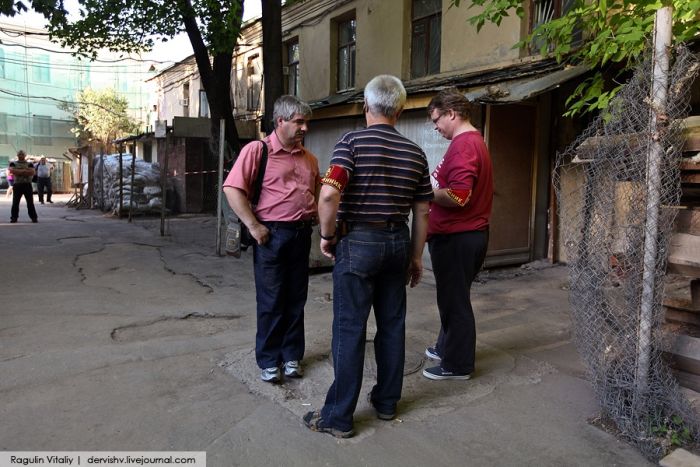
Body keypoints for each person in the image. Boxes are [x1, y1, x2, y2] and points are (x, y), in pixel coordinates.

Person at [303, 75, 432, 438]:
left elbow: (328, 196)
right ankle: (387, 402)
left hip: (358, 242)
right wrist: (416, 257)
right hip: (397, 244)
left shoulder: (351, 143)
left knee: (350, 328)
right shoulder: (415, 152)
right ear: (401, 110)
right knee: (392, 325)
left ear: (365, 108)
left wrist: (327, 236)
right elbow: (423, 212)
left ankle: (338, 416)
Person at [223, 95, 319, 384]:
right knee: (271, 299)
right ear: (280, 121)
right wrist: (254, 226)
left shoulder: (309, 158)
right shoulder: (258, 150)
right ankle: (268, 359)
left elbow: (315, 192)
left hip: (301, 234)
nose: (304, 128)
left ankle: (291, 356)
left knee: (296, 298)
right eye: (299, 122)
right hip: (271, 235)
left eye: (306, 123)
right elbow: (232, 189)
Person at [422, 87, 494, 381]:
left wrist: (426, 193)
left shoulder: (465, 145)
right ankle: (445, 347)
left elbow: (460, 196)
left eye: (437, 119)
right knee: (451, 297)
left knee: (455, 302)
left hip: (458, 237)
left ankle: (458, 364)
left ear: (451, 113)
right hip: (463, 234)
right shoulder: (472, 141)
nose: (436, 127)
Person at [9, 150, 38, 223]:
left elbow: (32, 172)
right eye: (19, 154)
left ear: (25, 155)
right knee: (15, 202)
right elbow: (12, 171)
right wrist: (25, 171)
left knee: (30, 202)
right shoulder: (13, 163)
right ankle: (14, 218)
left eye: (22, 154)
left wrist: (18, 171)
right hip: (17, 185)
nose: (21, 155)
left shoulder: (30, 164)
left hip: (27, 184)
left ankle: (34, 218)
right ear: (17, 155)